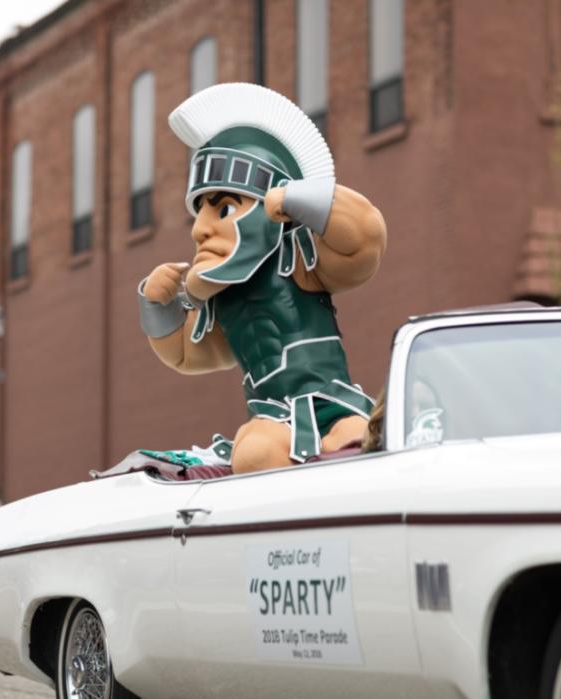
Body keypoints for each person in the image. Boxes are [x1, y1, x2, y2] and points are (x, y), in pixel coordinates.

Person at [139, 83, 386, 473]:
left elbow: (365, 239)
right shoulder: (221, 298)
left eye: (222, 209)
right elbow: (187, 354)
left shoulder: (298, 256)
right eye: (198, 213)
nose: (199, 230)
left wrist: (298, 198)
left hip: (334, 403)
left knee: (359, 440)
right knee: (256, 453)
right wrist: (157, 306)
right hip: (269, 419)